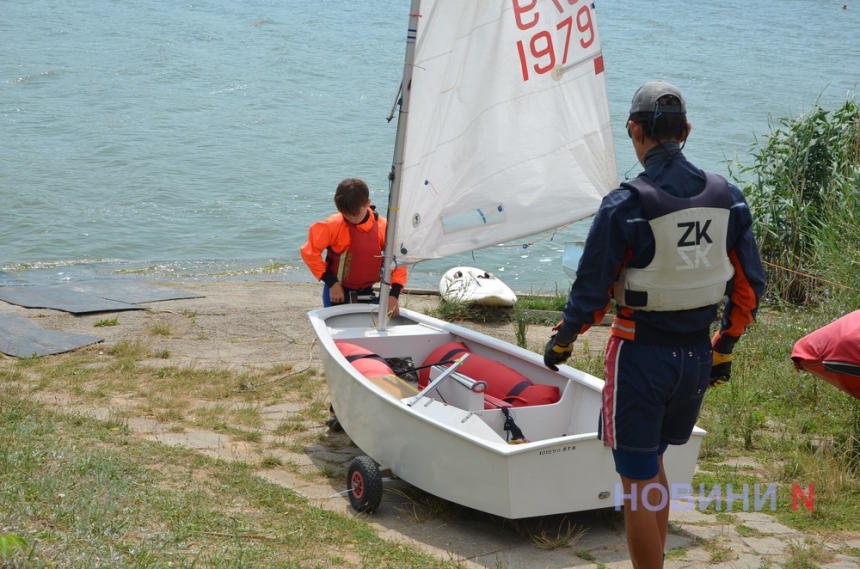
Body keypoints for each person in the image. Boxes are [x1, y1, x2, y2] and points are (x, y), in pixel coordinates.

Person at [543, 81, 765, 568]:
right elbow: (750, 286)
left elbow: (590, 293)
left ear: (634, 131)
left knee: (636, 481)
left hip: (641, 358)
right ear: (685, 131)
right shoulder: (729, 197)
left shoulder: (625, 204)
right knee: (654, 464)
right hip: (696, 357)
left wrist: (562, 342)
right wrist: (724, 346)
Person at [300, 177, 408, 431]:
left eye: (354, 214)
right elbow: (309, 252)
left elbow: (398, 263)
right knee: (342, 354)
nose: (349, 218)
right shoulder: (331, 225)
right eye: (344, 214)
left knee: (383, 348)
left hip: (372, 292)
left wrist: (394, 294)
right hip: (338, 293)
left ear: (368, 204)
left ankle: (386, 401)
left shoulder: (385, 228)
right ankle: (338, 411)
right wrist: (331, 282)